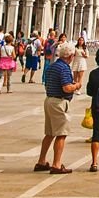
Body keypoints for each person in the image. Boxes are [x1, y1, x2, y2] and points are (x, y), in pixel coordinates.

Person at [35, 41, 81, 174]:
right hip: (59, 102)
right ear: (71, 56)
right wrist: (76, 86)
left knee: (49, 134)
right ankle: (56, 164)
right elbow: (66, 88)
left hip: (49, 100)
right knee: (61, 134)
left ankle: (41, 161)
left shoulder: (53, 66)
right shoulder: (64, 68)